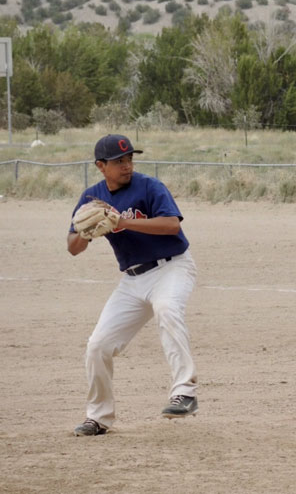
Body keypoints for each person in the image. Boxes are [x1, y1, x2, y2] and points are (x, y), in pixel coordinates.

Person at [68, 134, 199, 436]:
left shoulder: (149, 187)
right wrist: (86, 232)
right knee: (98, 345)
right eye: (118, 161)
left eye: (129, 159)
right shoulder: (92, 198)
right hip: (132, 279)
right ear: (101, 166)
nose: (127, 165)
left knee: (167, 308)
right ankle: (98, 417)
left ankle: (185, 392)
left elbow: (171, 225)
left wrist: (122, 223)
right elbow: (73, 247)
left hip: (172, 267)